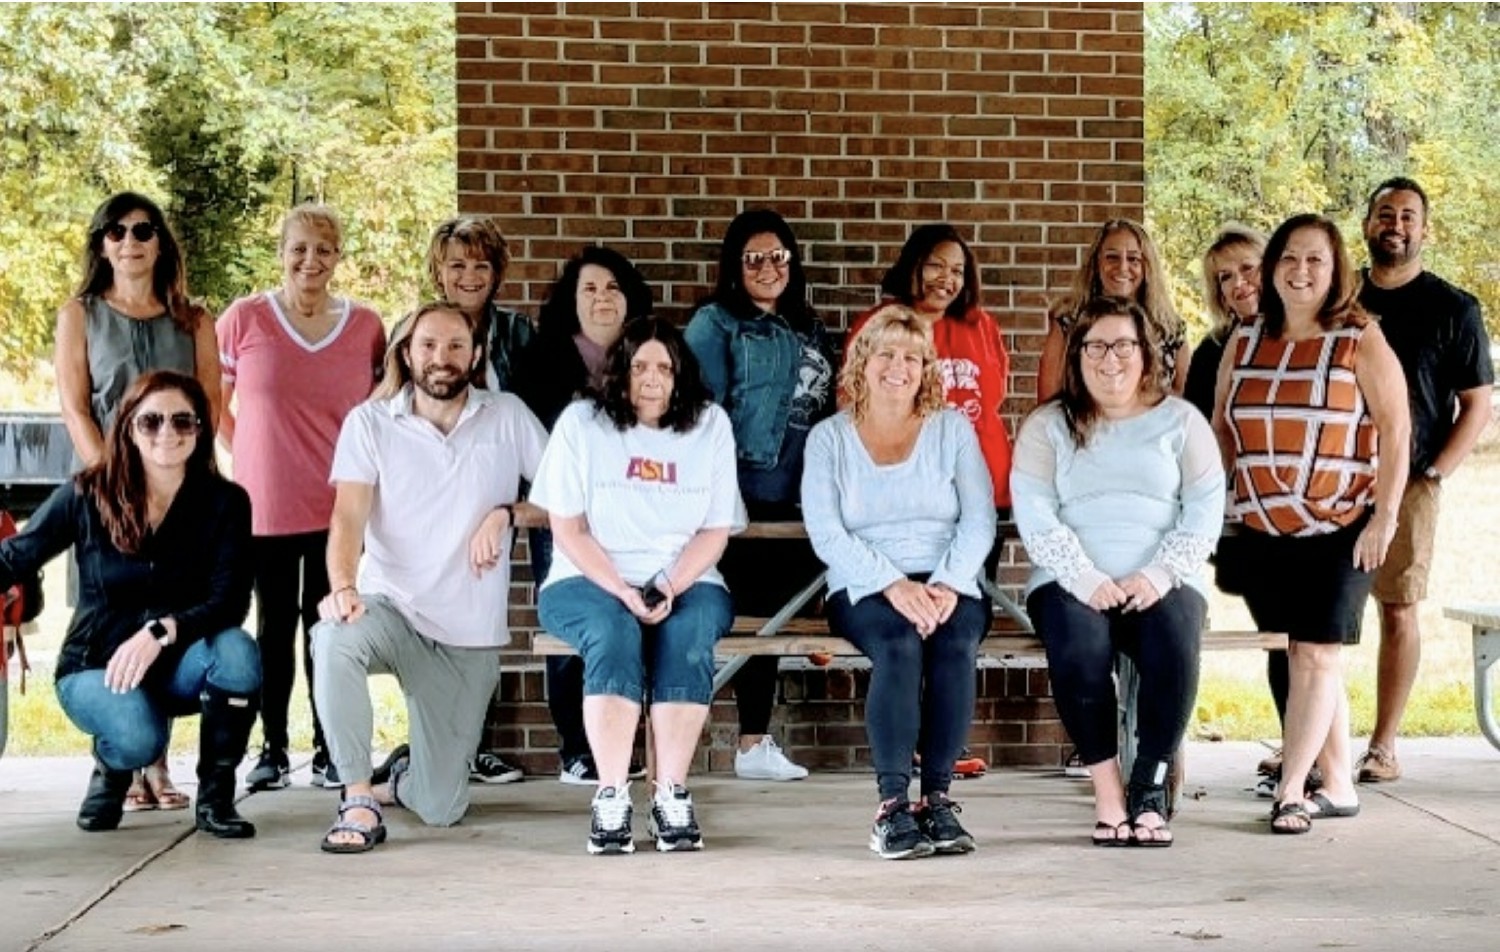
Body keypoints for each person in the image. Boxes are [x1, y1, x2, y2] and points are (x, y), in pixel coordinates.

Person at [312, 302, 547, 853]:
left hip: (466, 636)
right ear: (407, 352)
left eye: (455, 346)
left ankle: (403, 776)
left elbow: (565, 500)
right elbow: (347, 515)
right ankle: (358, 796)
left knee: (441, 807)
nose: (442, 358)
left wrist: (507, 513)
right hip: (389, 608)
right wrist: (343, 585)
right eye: (428, 346)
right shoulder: (370, 422)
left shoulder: (508, 415)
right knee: (333, 640)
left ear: (477, 353)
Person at [1212, 214, 1410, 834]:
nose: (1301, 271)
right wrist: (1220, 509)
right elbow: (1221, 424)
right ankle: (1341, 785)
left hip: (1342, 525)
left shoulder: (1360, 336)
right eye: (1290, 259)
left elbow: (1398, 431)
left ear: (1336, 270)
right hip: (1262, 529)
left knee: (1317, 655)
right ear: (1272, 268)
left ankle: (1292, 791)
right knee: (1303, 653)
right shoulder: (1245, 337)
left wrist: (1385, 516)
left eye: (1316, 260)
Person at [0, 371, 259, 837]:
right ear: (128, 427)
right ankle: (113, 766)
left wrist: (163, 630)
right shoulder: (86, 493)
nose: (167, 433)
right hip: (95, 665)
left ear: (200, 430)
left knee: (238, 650)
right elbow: (16, 555)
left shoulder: (226, 502)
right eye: (151, 421)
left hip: (179, 663)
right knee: (140, 737)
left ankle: (217, 797)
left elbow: (230, 602)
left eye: (184, 421)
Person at [1012, 297, 1225, 847]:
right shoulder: (1048, 426)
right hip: (1068, 582)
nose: (1111, 360)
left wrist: (1158, 574)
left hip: (1163, 578)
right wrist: (1084, 579)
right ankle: (1108, 793)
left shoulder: (1181, 421)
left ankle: (1149, 788)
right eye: (1096, 346)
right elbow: (1034, 513)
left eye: (1124, 345)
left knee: (1175, 640)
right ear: (1078, 355)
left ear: (1146, 352)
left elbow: (1204, 508)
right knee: (1079, 649)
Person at [531, 317, 743, 855]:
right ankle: (611, 796)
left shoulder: (710, 426)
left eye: (665, 368)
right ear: (620, 370)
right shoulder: (582, 423)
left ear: (680, 377)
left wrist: (668, 584)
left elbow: (715, 529)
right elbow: (569, 531)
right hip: (586, 577)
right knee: (612, 629)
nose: (652, 378)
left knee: (690, 631)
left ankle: (671, 794)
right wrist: (624, 592)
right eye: (640, 365)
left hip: (688, 577)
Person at [802, 305, 996, 860]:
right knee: (899, 644)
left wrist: (950, 583)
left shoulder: (950, 429)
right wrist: (892, 584)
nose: (899, 366)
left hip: (947, 580)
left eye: (912, 357)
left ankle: (937, 800)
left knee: (956, 642)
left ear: (926, 369)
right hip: (863, 585)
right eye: (886, 353)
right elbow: (826, 533)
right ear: (863, 362)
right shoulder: (829, 439)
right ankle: (891, 808)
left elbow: (979, 518)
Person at [54, 191, 222, 815]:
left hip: (181, 493)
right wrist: (110, 481)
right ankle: (118, 758)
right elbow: (74, 404)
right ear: (102, 243)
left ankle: (158, 762)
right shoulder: (81, 314)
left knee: (172, 616)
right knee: (113, 614)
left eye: (144, 230)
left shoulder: (194, 320)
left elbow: (209, 406)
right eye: (117, 230)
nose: (131, 241)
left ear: (161, 242)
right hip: (106, 489)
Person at [217, 203, 385, 792]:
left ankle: (329, 748)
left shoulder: (365, 326)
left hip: (338, 505)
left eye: (323, 248)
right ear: (281, 251)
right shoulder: (245, 319)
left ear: (338, 257)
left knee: (329, 626)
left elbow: (380, 408)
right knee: (273, 628)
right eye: (298, 247)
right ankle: (272, 748)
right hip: (263, 503)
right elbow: (214, 402)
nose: (309, 260)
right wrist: (250, 453)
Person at [848, 223, 1014, 780]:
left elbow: (996, 396)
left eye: (958, 270)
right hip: (901, 509)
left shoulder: (981, 326)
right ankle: (914, 748)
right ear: (913, 265)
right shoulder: (885, 327)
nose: (947, 278)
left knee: (952, 620)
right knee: (905, 625)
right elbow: (854, 399)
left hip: (979, 495)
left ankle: (938, 744)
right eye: (936, 265)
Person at [684, 209, 836, 782]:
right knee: (747, 621)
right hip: (747, 498)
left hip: (803, 497)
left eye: (779, 257)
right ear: (734, 266)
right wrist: (721, 501)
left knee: (774, 621)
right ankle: (736, 742)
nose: (768, 268)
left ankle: (753, 745)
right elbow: (702, 418)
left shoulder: (811, 329)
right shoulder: (716, 324)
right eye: (754, 258)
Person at [1355, 178, 1493, 784]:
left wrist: (1435, 472)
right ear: (1366, 225)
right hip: (1334, 480)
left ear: (1424, 230)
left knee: (1399, 611)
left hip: (1409, 484)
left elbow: (1478, 404)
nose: (1397, 224)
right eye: (1386, 213)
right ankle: (1304, 740)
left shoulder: (1455, 308)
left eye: (1409, 216)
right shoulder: (1340, 296)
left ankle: (1383, 745)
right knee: (1313, 616)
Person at [513, 245, 653, 785]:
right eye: (589, 288)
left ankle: (618, 743)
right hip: (564, 514)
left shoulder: (649, 355)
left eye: (613, 287)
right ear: (572, 302)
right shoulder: (544, 358)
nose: (602, 298)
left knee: (626, 619)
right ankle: (577, 747)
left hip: (635, 515)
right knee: (579, 627)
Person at [426, 215, 536, 784]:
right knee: (432, 615)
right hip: (434, 491)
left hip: (498, 491)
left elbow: (536, 411)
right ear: (438, 272)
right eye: (458, 264)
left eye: (481, 265)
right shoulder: (418, 330)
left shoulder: (518, 333)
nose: (470, 275)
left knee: (485, 616)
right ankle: (432, 746)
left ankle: (474, 745)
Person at [1182, 225, 1286, 795]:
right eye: (1224, 277)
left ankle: (1312, 756)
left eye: (1247, 269)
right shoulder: (1214, 350)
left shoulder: (1305, 334)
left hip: (1309, 511)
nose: (1238, 284)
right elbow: (1198, 438)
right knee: (1278, 630)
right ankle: (1301, 749)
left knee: (1307, 636)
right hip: (1242, 516)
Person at [1037, 218, 1189, 403]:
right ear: (1096, 262)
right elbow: (1048, 402)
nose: (1123, 267)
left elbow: (1185, 404)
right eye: (1112, 257)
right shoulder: (1068, 321)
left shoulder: (1170, 328)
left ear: (1147, 266)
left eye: (1133, 259)